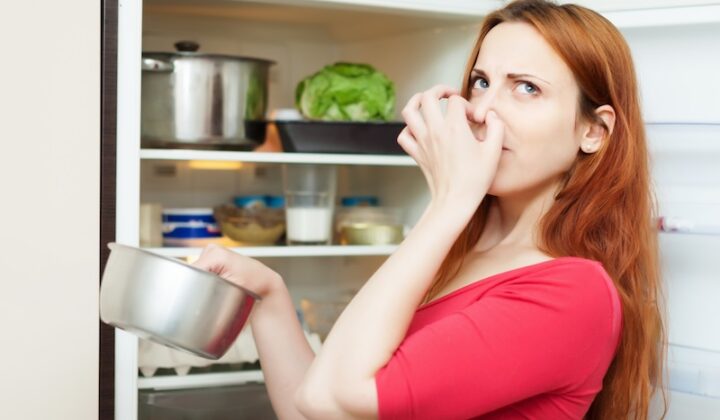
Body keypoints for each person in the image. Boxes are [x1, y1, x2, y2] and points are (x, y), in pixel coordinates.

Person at [193, 0, 666, 418]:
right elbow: (324, 410)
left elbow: (329, 397)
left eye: (526, 88)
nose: (483, 111)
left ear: (594, 132)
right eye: (481, 82)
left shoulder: (571, 293)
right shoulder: (457, 254)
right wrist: (268, 297)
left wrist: (450, 200)